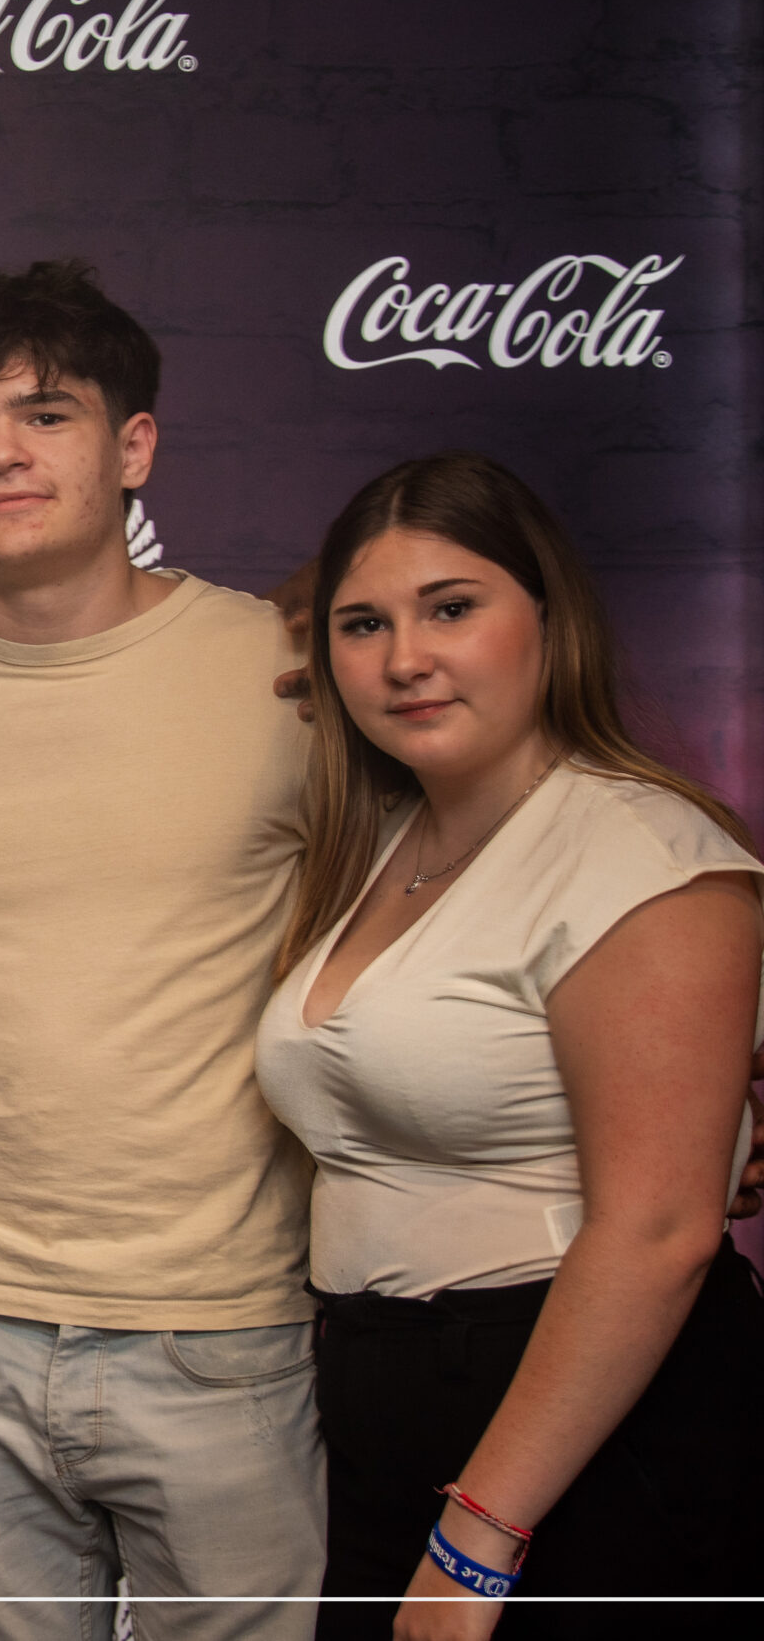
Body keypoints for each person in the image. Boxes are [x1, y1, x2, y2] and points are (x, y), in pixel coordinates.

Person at [0, 260, 323, 1640]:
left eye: (46, 414)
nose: (3, 452)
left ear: (134, 447)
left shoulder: (283, 673)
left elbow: (443, 909)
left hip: (220, 1316)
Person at [254, 452, 764, 1639]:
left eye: (452, 609)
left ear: (548, 615)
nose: (404, 658)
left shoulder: (642, 854)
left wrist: (478, 1540)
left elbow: (658, 1232)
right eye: (363, 625)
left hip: (582, 1423)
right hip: (386, 1403)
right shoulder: (384, 847)